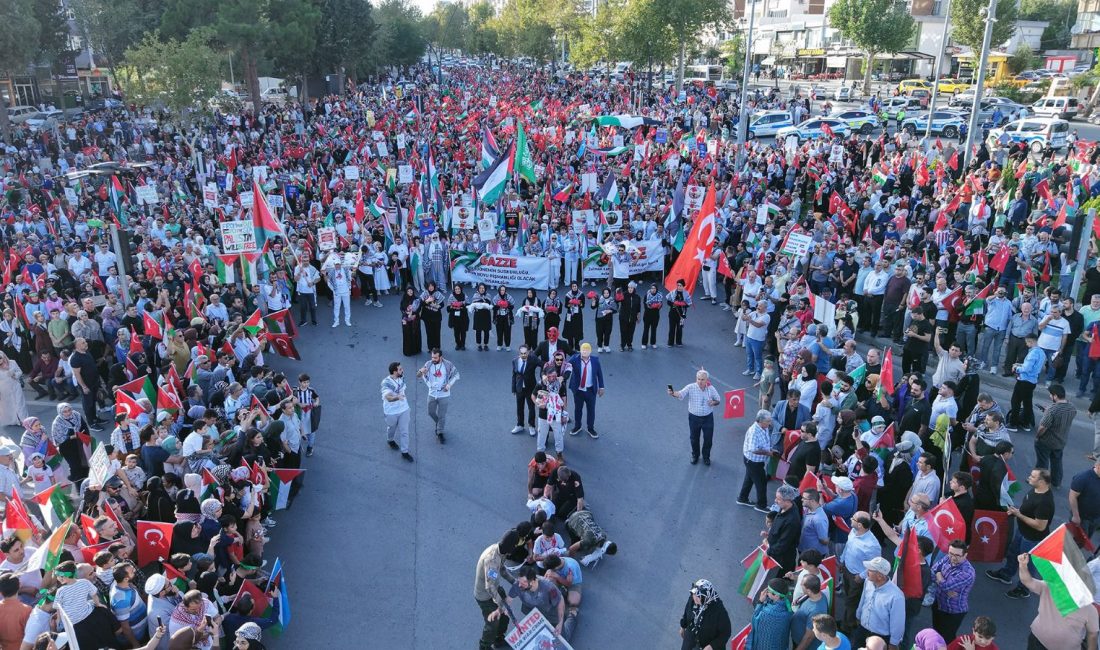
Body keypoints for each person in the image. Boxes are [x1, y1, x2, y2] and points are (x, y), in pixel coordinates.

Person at [986, 468, 1053, 598]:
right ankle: (1006, 574)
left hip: (1032, 539)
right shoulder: (1035, 490)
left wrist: (1019, 515)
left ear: (1042, 481)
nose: (1029, 478)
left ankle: (1024, 589)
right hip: (1022, 532)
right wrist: (1017, 511)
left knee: (1027, 565)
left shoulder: (1045, 502)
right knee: (1013, 554)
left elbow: (1040, 526)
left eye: (1033, 477)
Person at [1016, 551, 1099, 649]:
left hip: (1038, 640)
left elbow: (1028, 581)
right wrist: (1023, 565)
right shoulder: (1089, 609)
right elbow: (1092, 635)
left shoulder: (1053, 588)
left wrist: (1023, 565)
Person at [475, 531, 520, 650]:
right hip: (485, 596)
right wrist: (501, 605)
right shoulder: (491, 560)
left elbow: (502, 569)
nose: (515, 548)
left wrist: (515, 582)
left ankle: (498, 639)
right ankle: (484, 646)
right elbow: (489, 588)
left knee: (505, 616)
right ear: (510, 545)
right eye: (515, 545)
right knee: (492, 623)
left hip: (495, 589)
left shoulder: (501, 551)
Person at [668, 369, 721, 465]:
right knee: (694, 438)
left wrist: (713, 402)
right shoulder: (690, 387)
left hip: (708, 418)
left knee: (708, 439)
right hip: (694, 418)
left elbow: (718, 400)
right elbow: (680, 394)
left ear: (707, 380)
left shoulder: (711, 389)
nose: (700, 381)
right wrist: (672, 393)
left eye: (702, 379)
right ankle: (695, 455)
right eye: (698, 379)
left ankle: (706, 457)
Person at [838, 512, 881, 633]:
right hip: (847, 570)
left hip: (856, 577)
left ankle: (846, 627)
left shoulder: (872, 545)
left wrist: (861, 576)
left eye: (853, 519)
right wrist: (842, 560)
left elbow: (875, 564)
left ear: (860, 525)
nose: (851, 519)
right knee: (849, 598)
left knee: (851, 601)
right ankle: (849, 620)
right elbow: (848, 546)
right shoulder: (853, 531)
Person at [852, 556, 905, 650]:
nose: (867, 571)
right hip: (862, 630)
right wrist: (858, 615)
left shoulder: (896, 596)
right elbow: (863, 600)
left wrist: (893, 643)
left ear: (880, 576)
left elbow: (897, 622)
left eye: (870, 570)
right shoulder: (868, 582)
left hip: (880, 638)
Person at [929, 539, 975, 641]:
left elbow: (946, 585)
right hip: (939, 604)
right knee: (936, 634)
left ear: (965, 555)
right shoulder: (947, 558)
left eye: (957, 555)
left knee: (946, 639)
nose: (953, 557)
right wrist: (941, 580)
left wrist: (939, 575)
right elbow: (932, 572)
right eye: (951, 553)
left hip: (953, 611)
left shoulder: (967, 573)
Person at [1034, 383, 1073, 488]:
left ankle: (1039, 481)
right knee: (1057, 463)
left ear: (1055, 396)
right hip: (1061, 441)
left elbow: (1043, 427)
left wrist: (1037, 436)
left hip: (1046, 441)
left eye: (1051, 395)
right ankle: (1056, 482)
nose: (1050, 397)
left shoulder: (1052, 410)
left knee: (1042, 462)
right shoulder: (1072, 408)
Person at [507, 566, 565, 638]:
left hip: (550, 614)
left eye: (523, 583)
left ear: (532, 582)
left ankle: (572, 616)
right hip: (535, 614)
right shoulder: (519, 584)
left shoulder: (549, 587)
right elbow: (509, 599)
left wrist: (560, 623)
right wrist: (503, 609)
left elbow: (560, 601)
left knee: (562, 637)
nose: (519, 585)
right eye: (519, 581)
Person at [417, 348, 459, 443]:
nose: (433, 359)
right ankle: (439, 423)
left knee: (442, 415)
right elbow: (418, 375)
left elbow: (456, 374)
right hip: (432, 393)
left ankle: (440, 432)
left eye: (435, 358)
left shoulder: (448, 364)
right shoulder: (428, 364)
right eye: (432, 357)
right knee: (430, 412)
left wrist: (449, 385)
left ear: (441, 357)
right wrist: (421, 371)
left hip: (444, 394)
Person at [737, 410, 775, 513]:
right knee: (761, 483)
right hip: (753, 462)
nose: (769, 423)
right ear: (760, 421)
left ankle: (742, 498)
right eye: (768, 421)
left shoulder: (763, 427)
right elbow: (753, 449)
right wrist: (767, 453)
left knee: (749, 479)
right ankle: (761, 505)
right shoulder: (754, 431)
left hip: (753, 461)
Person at [678, 579, 732, 650]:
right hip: (691, 636)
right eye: (694, 594)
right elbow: (687, 611)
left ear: (707, 596)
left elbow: (726, 633)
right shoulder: (693, 598)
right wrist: (683, 626)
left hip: (707, 644)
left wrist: (712, 646)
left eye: (699, 596)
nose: (695, 598)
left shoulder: (719, 611)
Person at [567, 343, 604, 439]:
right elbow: (566, 366)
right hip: (578, 390)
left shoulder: (595, 361)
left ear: (590, 351)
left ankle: (590, 428)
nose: (585, 352)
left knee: (591, 410)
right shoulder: (574, 359)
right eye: (583, 350)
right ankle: (577, 426)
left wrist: (601, 387)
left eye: (587, 350)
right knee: (578, 409)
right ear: (580, 350)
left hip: (590, 390)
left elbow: (599, 374)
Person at [1007, 333, 1043, 431]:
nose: (1026, 344)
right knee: (1027, 403)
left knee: (1015, 401)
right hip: (1032, 381)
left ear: (1030, 341)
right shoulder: (1041, 352)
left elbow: (1026, 368)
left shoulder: (1032, 353)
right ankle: (1025, 423)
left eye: (1027, 342)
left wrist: (1016, 368)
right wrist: (1020, 364)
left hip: (1024, 381)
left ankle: (1013, 424)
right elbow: (1033, 366)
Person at [747, 578, 793, 649]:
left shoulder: (767, 613)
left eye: (768, 591)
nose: (766, 592)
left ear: (776, 596)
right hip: (779, 645)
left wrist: (760, 602)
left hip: (765, 645)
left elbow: (755, 620)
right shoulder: (788, 606)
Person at [381, 362, 413, 462]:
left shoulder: (401, 377)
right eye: (400, 369)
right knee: (392, 428)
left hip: (404, 409)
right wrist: (397, 397)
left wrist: (400, 398)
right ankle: (390, 440)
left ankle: (405, 452)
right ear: (395, 372)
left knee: (405, 431)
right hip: (391, 411)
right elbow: (388, 398)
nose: (402, 370)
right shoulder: (386, 383)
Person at [69, 337, 103, 430]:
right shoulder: (75, 358)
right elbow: (77, 374)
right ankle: (91, 423)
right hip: (86, 385)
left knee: (93, 402)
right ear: (77, 346)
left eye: (85, 342)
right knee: (88, 404)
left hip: (94, 382)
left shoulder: (86, 352)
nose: (86, 344)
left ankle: (95, 418)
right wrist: (84, 387)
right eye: (83, 343)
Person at [767, 484, 803, 572]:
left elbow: (782, 544)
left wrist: (768, 550)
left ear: (787, 501)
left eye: (778, 499)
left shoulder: (791, 521)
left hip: (780, 561)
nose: (775, 501)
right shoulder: (785, 507)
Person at [510, 345, 539, 436]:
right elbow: (514, 376)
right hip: (519, 388)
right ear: (519, 353)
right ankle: (520, 425)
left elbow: (543, 364)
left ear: (528, 352)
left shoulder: (532, 360)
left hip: (530, 388)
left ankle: (531, 426)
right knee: (519, 407)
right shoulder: (515, 361)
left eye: (525, 353)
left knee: (531, 408)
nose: (523, 355)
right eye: (521, 353)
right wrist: (513, 389)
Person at [326, 258, 353, 327]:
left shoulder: (345, 270)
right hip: (337, 292)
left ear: (340, 264)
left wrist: (349, 289)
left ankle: (347, 320)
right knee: (336, 307)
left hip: (345, 291)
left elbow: (349, 279)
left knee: (347, 306)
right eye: (336, 264)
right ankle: (336, 321)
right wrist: (333, 290)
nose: (337, 266)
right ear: (334, 265)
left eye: (338, 264)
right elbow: (329, 282)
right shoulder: (331, 272)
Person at [420, 280, 445, 351]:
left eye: (432, 286)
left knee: (437, 332)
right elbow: (421, 304)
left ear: (434, 286)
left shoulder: (438, 294)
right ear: (427, 287)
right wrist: (427, 301)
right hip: (427, 317)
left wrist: (435, 305)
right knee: (429, 332)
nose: (431, 287)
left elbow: (442, 305)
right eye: (429, 286)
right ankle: (430, 348)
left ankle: (437, 348)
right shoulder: (424, 294)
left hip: (436, 317)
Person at [666, 279, 692, 346]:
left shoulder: (686, 294)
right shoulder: (673, 292)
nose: (679, 287)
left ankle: (678, 342)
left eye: (680, 285)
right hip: (672, 313)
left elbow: (688, 303)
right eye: (678, 285)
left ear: (683, 286)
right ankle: (670, 342)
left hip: (681, 314)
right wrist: (673, 304)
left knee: (679, 328)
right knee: (672, 328)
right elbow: (668, 301)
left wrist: (683, 304)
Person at [618, 281, 641, 351]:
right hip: (623, 318)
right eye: (629, 287)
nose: (630, 289)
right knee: (623, 332)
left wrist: (638, 317)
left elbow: (638, 308)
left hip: (633, 318)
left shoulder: (637, 297)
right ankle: (622, 346)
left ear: (634, 289)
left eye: (632, 288)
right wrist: (617, 293)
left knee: (631, 332)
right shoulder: (623, 295)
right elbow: (617, 299)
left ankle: (629, 345)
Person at [399, 286, 422, 357]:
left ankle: (416, 350)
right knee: (407, 334)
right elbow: (401, 309)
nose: (410, 292)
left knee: (416, 333)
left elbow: (419, 308)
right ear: (406, 292)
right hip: (406, 320)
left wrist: (414, 314)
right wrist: (407, 313)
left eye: (411, 291)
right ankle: (408, 351)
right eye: (408, 291)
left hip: (415, 319)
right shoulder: (403, 300)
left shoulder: (416, 299)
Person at [446, 284, 470, 351]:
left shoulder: (465, 296)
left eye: (458, 289)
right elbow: (448, 308)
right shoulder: (451, 297)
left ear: (461, 289)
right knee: (456, 332)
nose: (457, 290)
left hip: (463, 317)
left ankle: (463, 345)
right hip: (454, 318)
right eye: (456, 289)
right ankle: (458, 344)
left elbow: (468, 306)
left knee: (463, 332)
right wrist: (454, 307)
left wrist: (461, 306)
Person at [641, 283, 663, 349]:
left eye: (654, 288)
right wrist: (652, 306)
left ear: (656, 289)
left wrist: (658, 305)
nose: (653, 290)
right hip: (647, 315)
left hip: (655, 316)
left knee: (654, 330)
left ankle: (653, 343)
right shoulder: (646, 295)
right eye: (652, 288)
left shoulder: (659, 296)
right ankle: (644, 343)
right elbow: (645, 305)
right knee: (646, 329)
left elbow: (661, 305)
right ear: (650, 289)